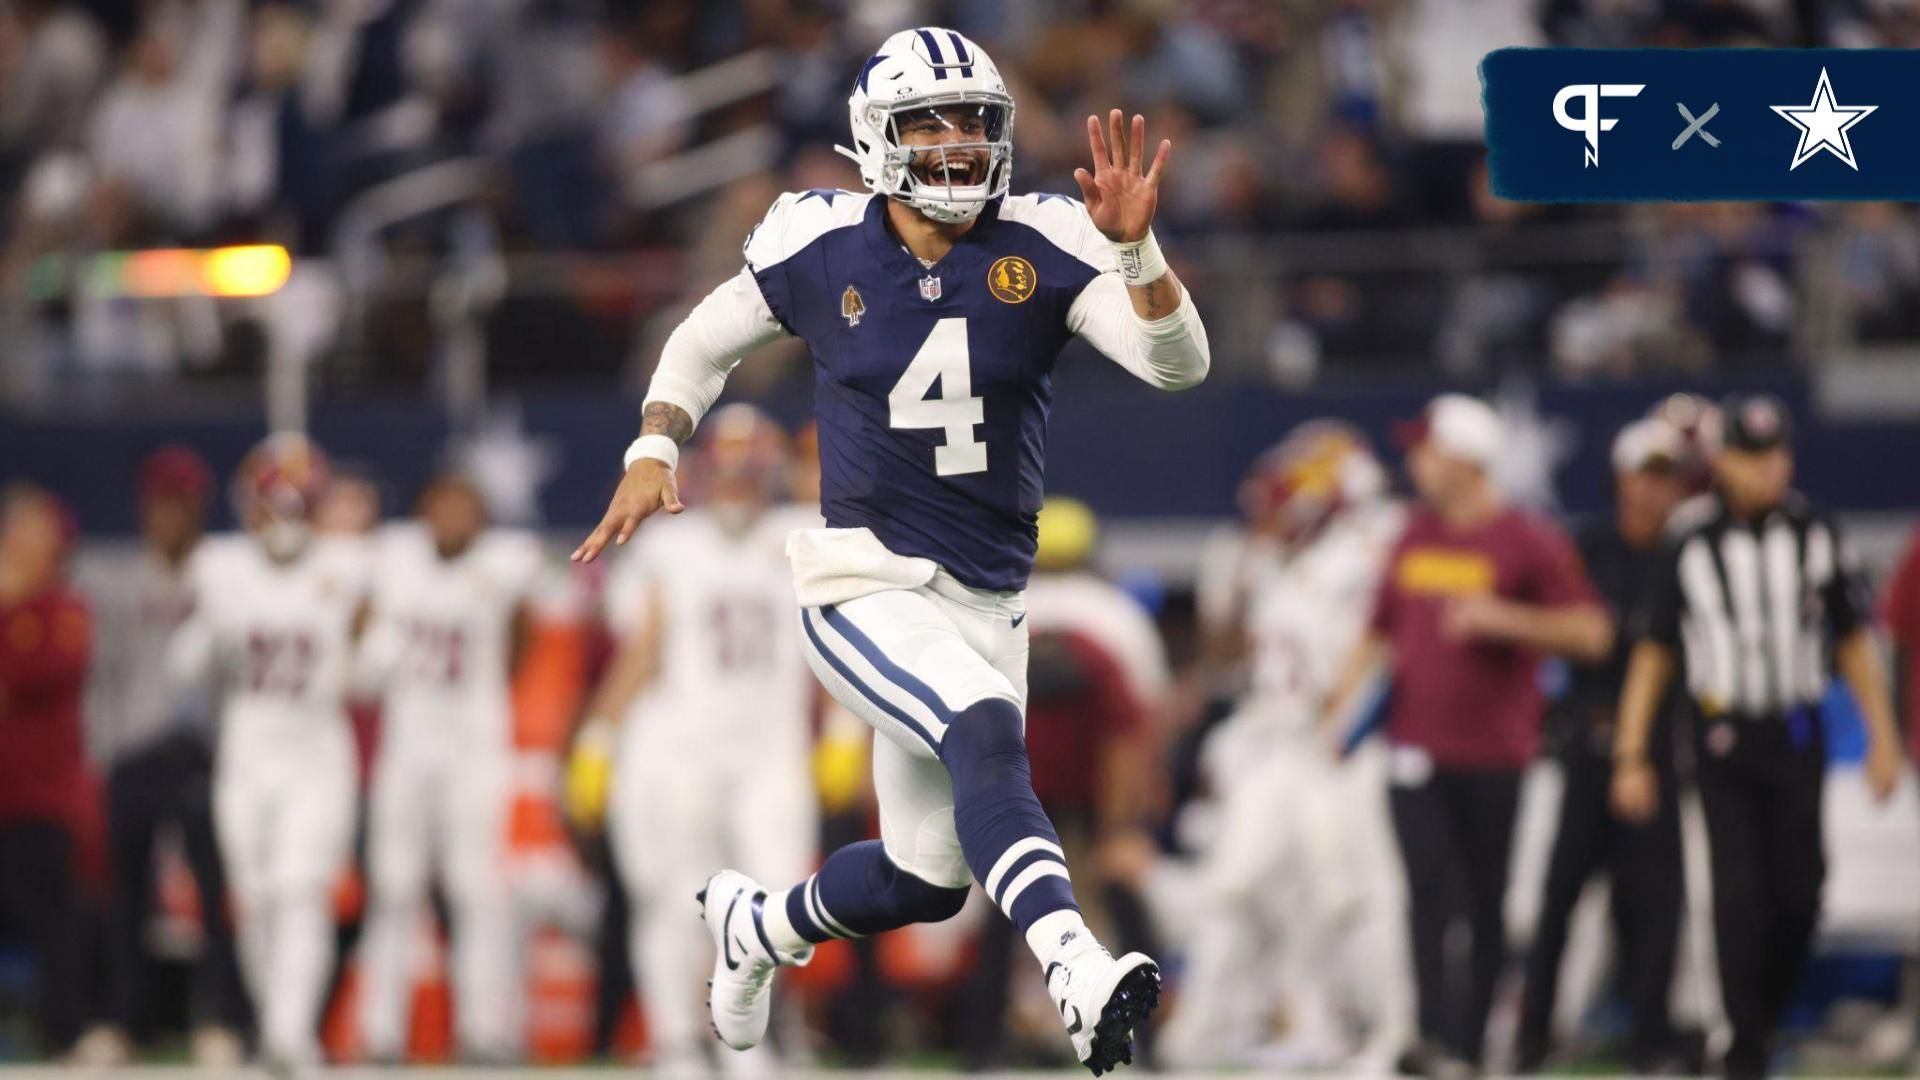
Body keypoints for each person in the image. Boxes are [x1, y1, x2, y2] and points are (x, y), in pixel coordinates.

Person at [570, 25, 1210, 1075]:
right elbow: (704, 337)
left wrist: (1139, 254)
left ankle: (760, 929)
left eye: (974, 124)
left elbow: (1176, 366)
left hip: (986, 599)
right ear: (876, 138)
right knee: (987, 732)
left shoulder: (1046, 236)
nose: (957, 146)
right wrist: (655, 440)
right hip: (863, 582)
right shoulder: (819, 239)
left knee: (927, 881)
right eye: (931, 124)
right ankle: (1075, 967)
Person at [1612, 393, 1903, 1080]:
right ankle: (1743, 1050)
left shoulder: (1816, 532)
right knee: (1737, 896)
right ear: (1722, 461)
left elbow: (1854, 640)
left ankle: (1758, 1024)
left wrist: (1882, 733)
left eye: (1777, 455)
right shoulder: (1688, 538)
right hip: (1721, 735)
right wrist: (1631, 753)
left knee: (1803, 890)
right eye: (1752, 455)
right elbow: (1653, 653)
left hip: (1796, 732)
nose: (1768, 470)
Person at [1322, 393, 1611, 1074]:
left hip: (1495, 753)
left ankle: (1473, 1045)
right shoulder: (1413, 533)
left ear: (1463, 458)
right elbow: (1379, 631)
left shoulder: (1528, 538)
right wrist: (1337, 712)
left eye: (1425, 448)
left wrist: (1504, 620)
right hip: (1413, 747)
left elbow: (1592, 632)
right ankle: (1432, 1038)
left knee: (1483, 901)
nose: (1413, 461)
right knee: (1427, 892)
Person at [1135, 422, 1411, 1072]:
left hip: (1339, 743)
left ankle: (1392, 1031)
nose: (1281, 498)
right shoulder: (1271, 557)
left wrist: (1346, 726)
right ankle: (1211, 1035)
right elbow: (1232, 657)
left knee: (1352, 895)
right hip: (1274, 743)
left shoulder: (1375, 542)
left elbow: (1384, 646)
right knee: (1242, 885)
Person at [568, 405, 820, 1071]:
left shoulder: (807, 535)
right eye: (728, 468)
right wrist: (598, 734)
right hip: (683, 748)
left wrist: (849, 728)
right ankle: (678, 1040)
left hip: (772, 749)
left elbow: (840, 650)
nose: (737, 481)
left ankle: (744, 1035)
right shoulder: (669, 542)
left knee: (781, 901)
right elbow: (645, 648)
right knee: (678, 897)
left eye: (751, 469)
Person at [168, 433, 371, 1067]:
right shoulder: (222, 569)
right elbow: (182, 670)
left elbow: (368, 676)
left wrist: (363, 632)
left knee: (299, 890)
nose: (282, 518)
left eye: (295, 504)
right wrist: (211, 624)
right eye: (272, 504)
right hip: (247, 754)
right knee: (253, 899)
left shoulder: (348, 566)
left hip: (315, 752)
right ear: (249, 506)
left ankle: (290, 1033)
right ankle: (275, 1023)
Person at [1516, 419, 1692, 1073]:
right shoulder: (1583, 549)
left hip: (1659, 752)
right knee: (1560, 897)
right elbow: (1562, 632)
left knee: (1654, 901)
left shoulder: (1688, 552)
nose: (1654, 491)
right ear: (1621, 479)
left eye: (1666, 477)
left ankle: (1650, 1036)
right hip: (1590, 746)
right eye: (1645, 475)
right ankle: (1533, 1033)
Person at [354, 472, 543, 1064]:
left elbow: (522, 635)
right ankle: (379, 1032)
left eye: (465, 507)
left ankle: (484, 1030)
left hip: (473, 748)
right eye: (443, 505)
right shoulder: (394, 559)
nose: (453, 518)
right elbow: (360, 628)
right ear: (424, 511)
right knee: (393, 887)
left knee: (478, 889)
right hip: (408, 748)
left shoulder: (506, 563)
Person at [80, 447, 248, 1066]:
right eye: (161, 505)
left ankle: (221, 1018)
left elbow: (235, 674)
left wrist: (234, 750)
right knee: (126, 896)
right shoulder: (120, 581)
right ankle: (125, 1021)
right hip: (135, 750)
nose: (170, 518)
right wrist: (104, 754)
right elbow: (102, 677)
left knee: (213, 893)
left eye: (182, 505)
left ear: (198, 510)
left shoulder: (225, 575)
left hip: (204, 751)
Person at [0, 484, 95, 1058]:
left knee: (52, 920)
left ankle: (68, 1034)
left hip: (40, 796)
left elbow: (46, 672)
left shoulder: (64, 609)